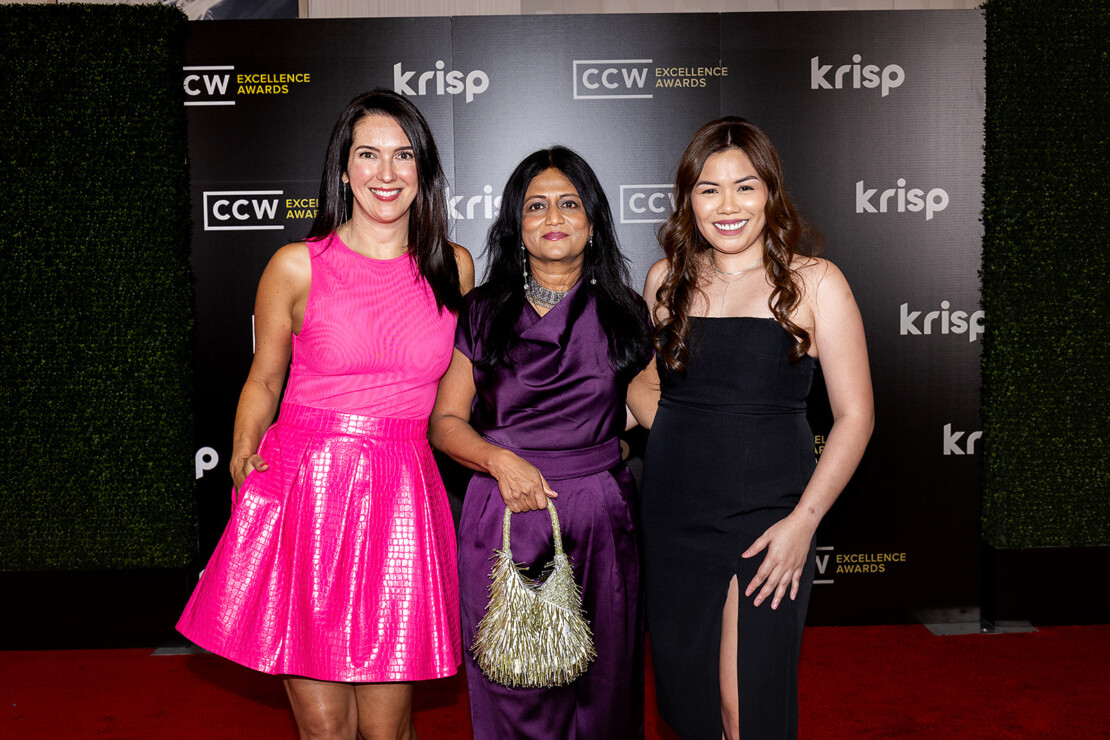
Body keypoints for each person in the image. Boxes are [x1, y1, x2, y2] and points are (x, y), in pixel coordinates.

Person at [177, 89, 474, 740]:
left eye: (402, 156)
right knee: (325, 729)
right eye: (368, 155)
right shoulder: (295, 266)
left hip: (401, 497)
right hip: (308, 494)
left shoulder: (454, 268)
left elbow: (460, 389)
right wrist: (242, 454)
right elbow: (263, 379)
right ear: (343, 168)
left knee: (389, 729)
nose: (386, 174)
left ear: (423, 169)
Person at [628, 117, 874, 739]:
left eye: (745, 186)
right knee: (692, 709)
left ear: (771, 192)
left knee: (746, 709)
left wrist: (804, 523)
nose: (727, 205)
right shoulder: (666, 281)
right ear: (689, 199)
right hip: (673, 516)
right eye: (708, 189)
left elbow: (855, 417)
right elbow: (655, 388)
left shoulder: (815, 282)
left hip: (769, 521)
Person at [429, 146, 653, 739]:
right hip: (505, 512)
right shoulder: (481, 312)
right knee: (515, 690)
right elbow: (446, 422)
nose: (553, 216)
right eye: (536, 206)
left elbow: (653, 409)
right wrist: (500, 460)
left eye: (569, 203)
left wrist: (608, 446)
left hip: (602, 517)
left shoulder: (627, 311)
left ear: (592, 220)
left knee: (606, 687)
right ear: (517, 225)